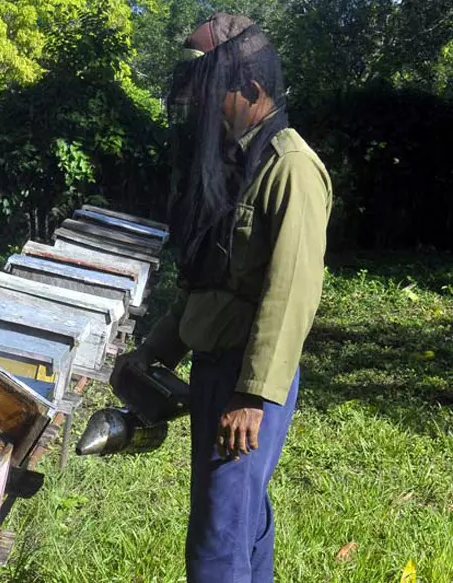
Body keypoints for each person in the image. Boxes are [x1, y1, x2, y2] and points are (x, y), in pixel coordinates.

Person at [112, 13, 333, 582]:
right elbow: (207, 281)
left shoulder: (292, 170)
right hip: (215, 374)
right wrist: (154, 352)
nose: (206, 113)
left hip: (247, 384)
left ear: (253, 91)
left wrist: (252, 395)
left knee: (217, 540)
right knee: (240, 519)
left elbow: (291, 296)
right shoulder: (239, 165)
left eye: (216, 97)